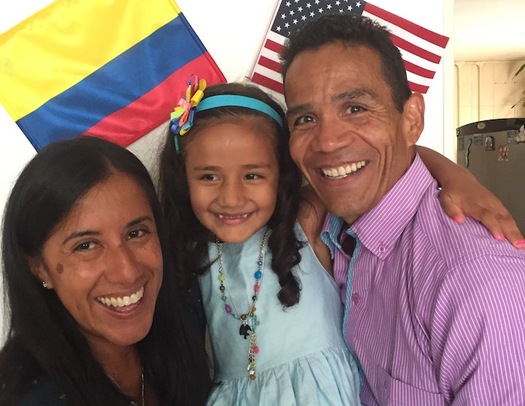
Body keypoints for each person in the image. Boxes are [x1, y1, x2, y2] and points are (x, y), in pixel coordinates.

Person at [157, 79, 520, 405]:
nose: (231, 198)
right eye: (208, 176)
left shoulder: (303, 219)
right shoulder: (194, 249)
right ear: (182, 177)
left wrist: (454, 174)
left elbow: (387, 157)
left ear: (283, 173)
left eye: (252, 175)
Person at [281, 14, 525, 404]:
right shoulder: (322, 227)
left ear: (412, 120)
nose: (326, 142)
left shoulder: (475, 283)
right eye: (306, 118)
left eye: (356, 108)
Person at [0, 136, 211, 405]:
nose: (127, 271)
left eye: (136, 233)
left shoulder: (185, 313)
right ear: (39, 267)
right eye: (86, 246)